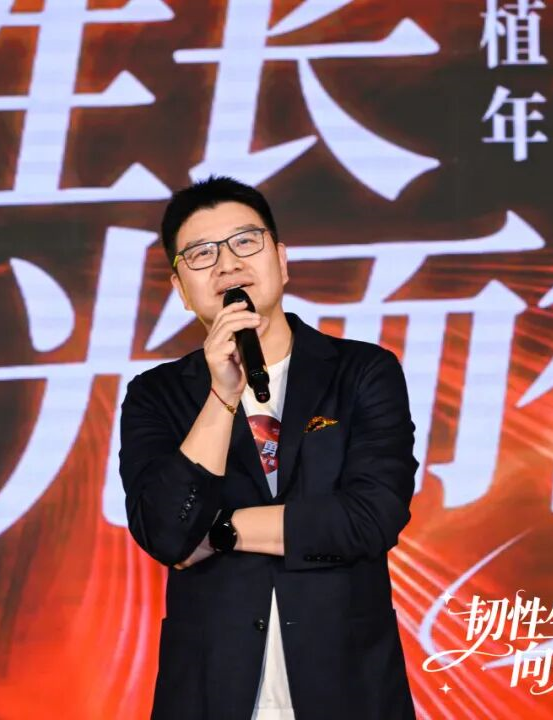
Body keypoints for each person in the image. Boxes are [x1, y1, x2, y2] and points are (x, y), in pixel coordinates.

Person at [119, 176, 418, 719]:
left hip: (348, 687)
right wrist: (221, 395)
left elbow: (371, 518)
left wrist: (220, 530)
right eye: (202, 253)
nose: (227, 264)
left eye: (245, 241)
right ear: (181, 289)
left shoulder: (361, 371)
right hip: (211, 693)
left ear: (281, 260)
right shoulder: (156, 395)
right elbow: (165, 533)